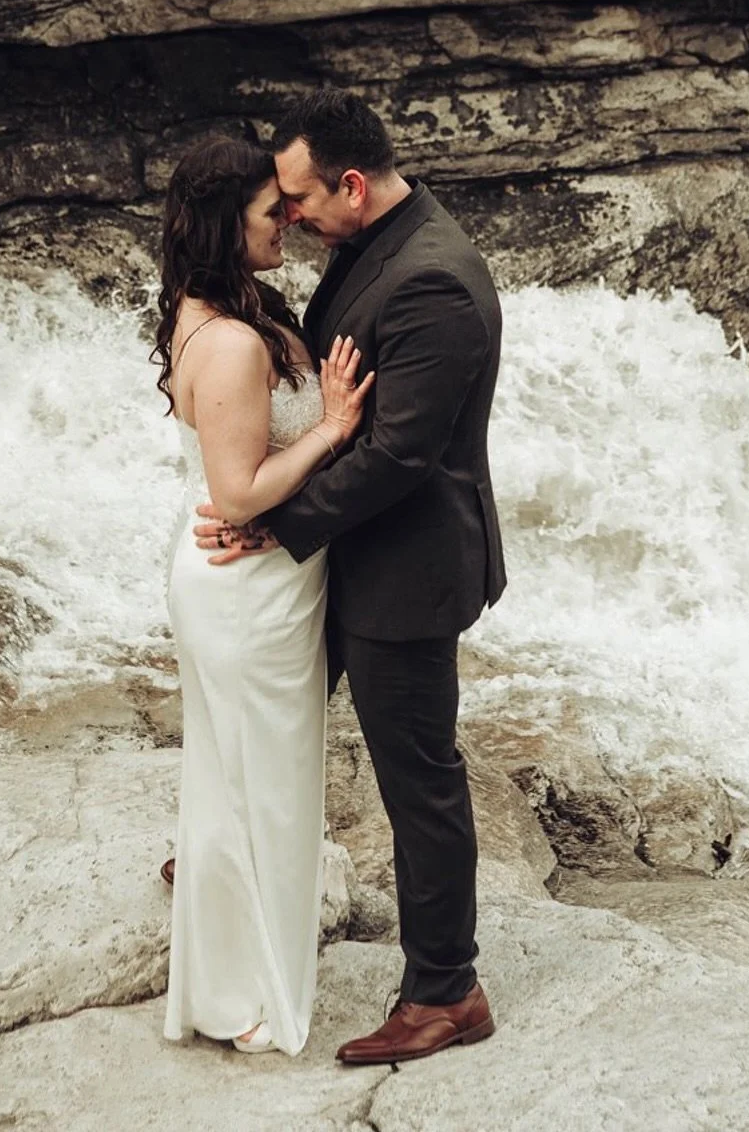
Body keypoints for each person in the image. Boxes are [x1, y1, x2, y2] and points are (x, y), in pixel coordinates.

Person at [195, 88, 505, 1066]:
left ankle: (447, 992)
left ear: (354, 185)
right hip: (350, 551)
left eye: (297, 200)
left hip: (404, 570)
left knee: (420, 783)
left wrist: (275, 527)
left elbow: (401, 456)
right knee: (277, 704)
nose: (289, 216)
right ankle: (225, 869)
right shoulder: (370, 246)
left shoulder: (435, 283)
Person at [156, 134, 374, 1056]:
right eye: (266, 211)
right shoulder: (236, 341)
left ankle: (224, 988)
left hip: (249, 581)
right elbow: (240, 494)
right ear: (221, 225)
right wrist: (329, 430)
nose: (284, 218)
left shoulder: (219, 306)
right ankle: (239, 1001)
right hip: (246, 589)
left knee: (239, 787)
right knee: (254, 796)